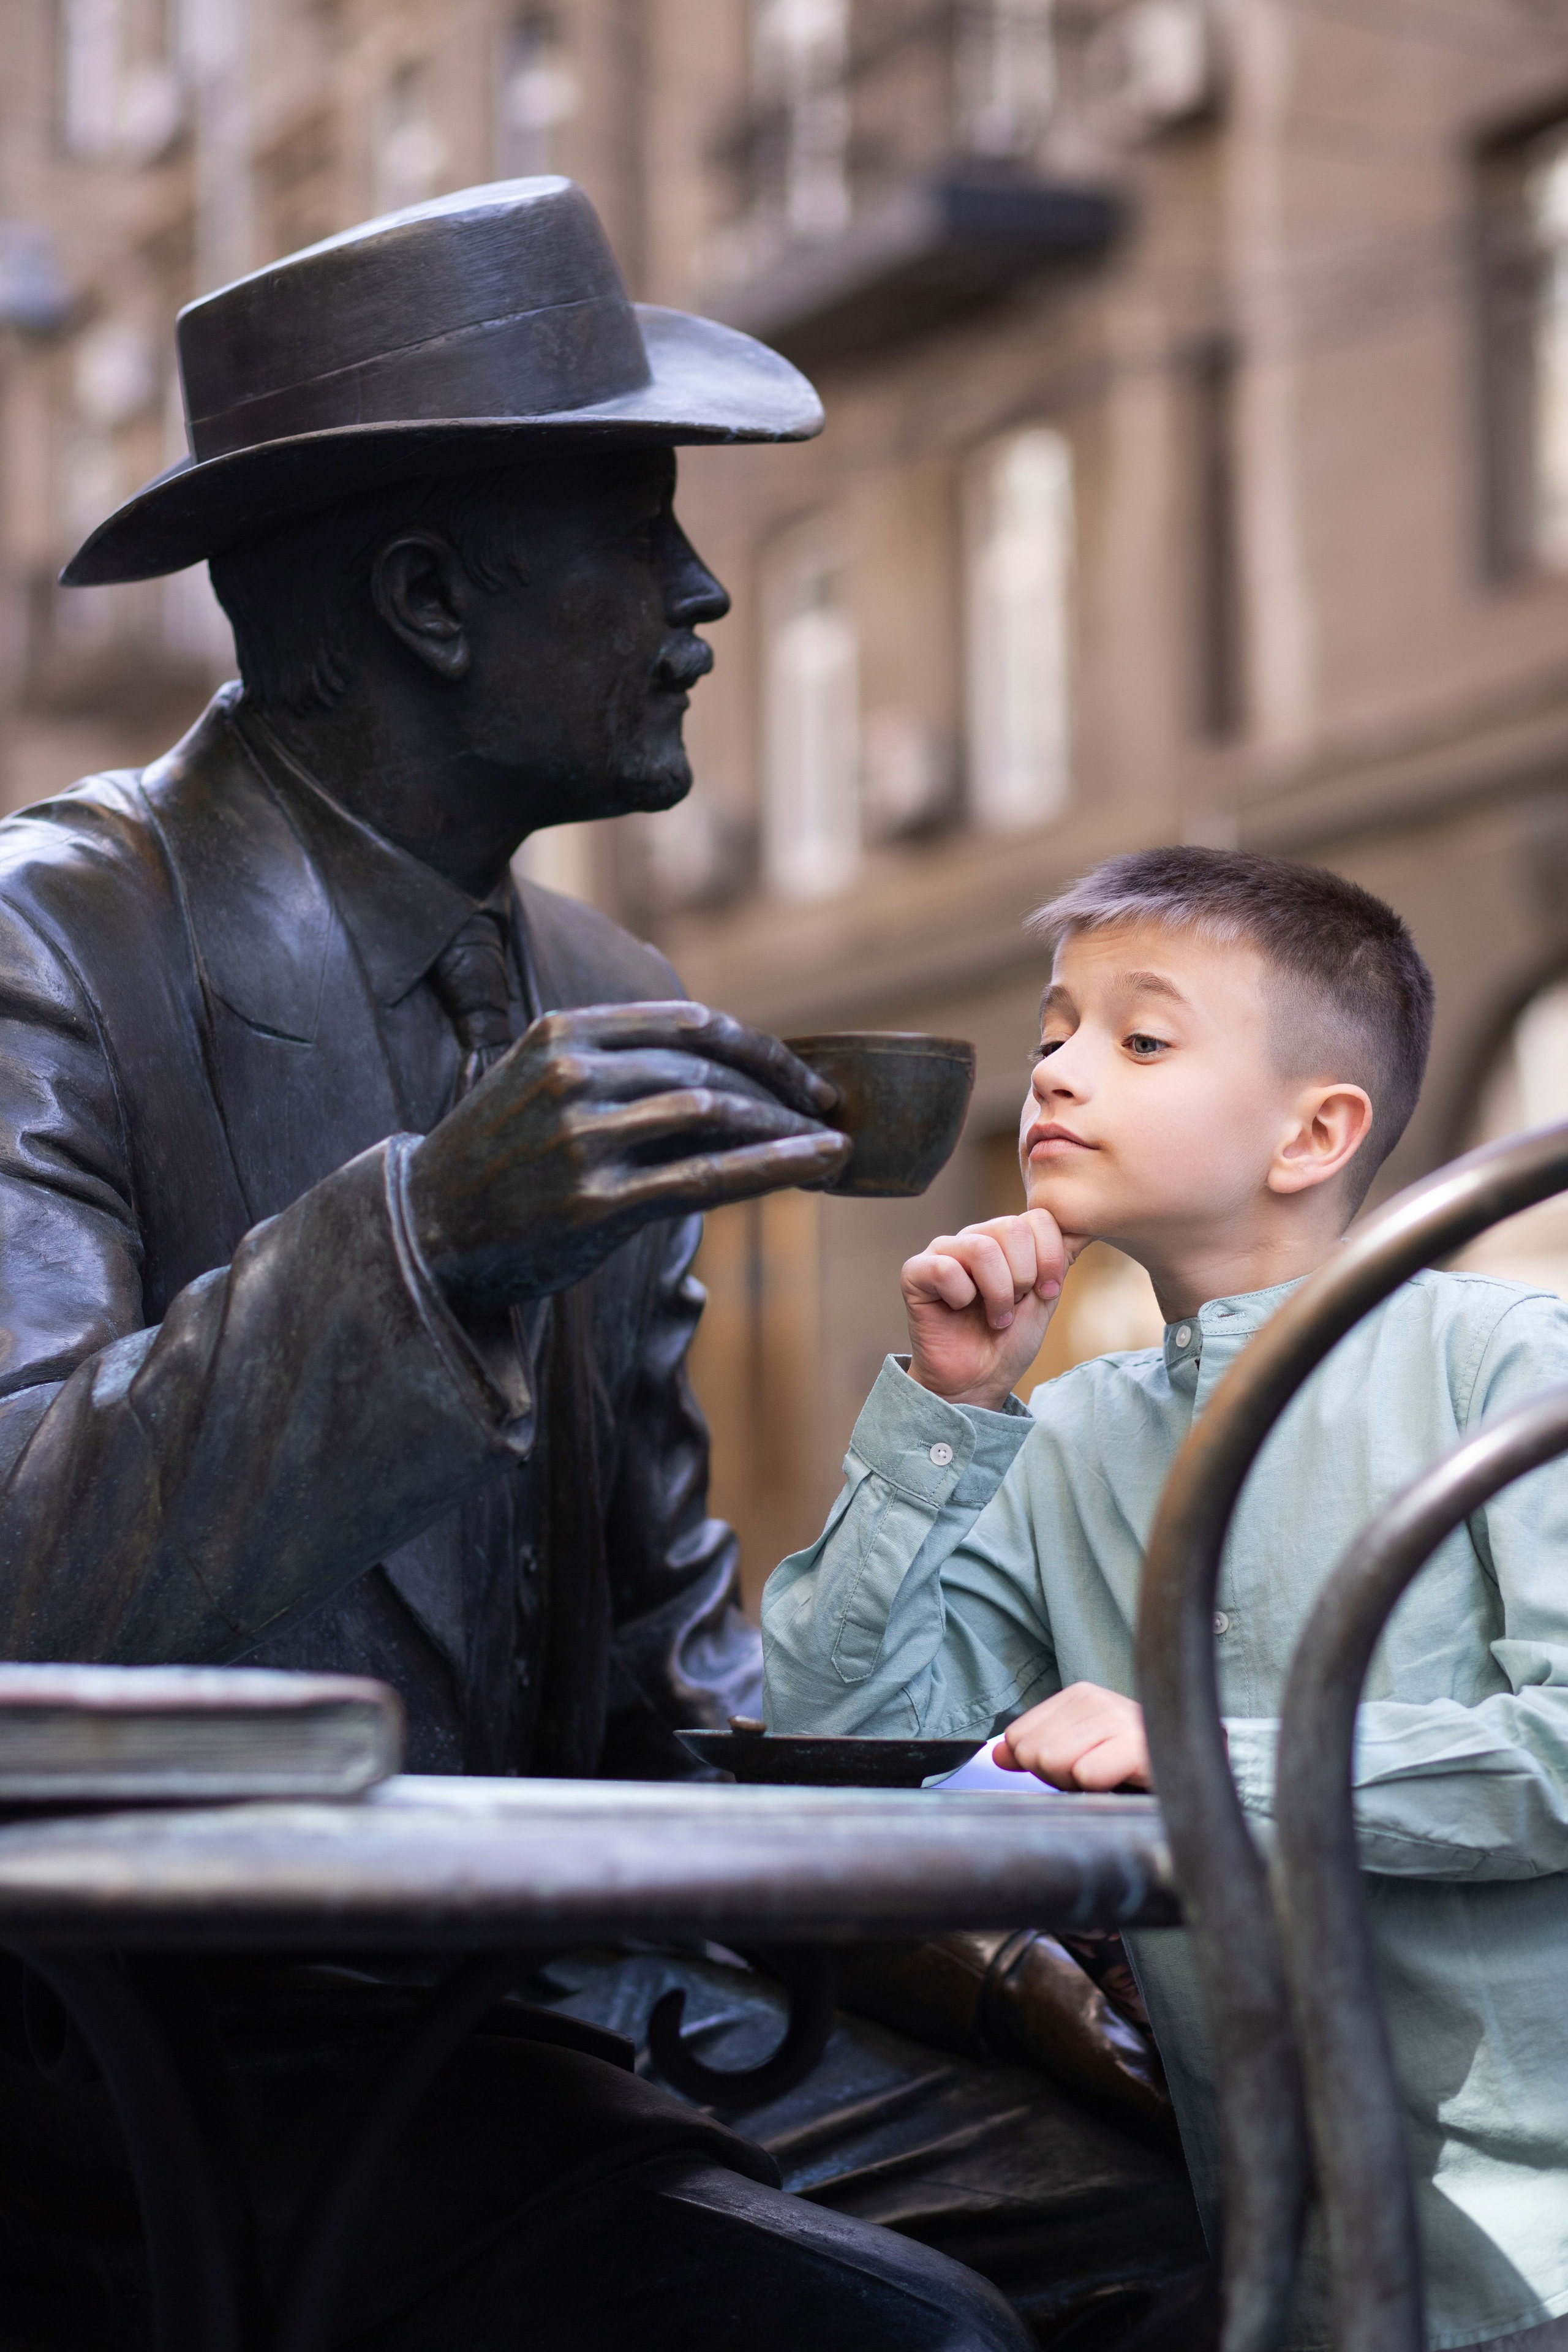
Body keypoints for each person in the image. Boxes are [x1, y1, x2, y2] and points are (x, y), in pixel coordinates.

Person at [0, 175, 1036, 2352]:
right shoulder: (47, 948)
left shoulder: (590, 977)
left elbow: (662, 1703)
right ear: (428, 596)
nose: (702, 598)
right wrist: (430, 1243)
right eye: (639, 532)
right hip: (134, 2057)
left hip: (562, 2004)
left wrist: (996, 1934)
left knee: (1257, 2179)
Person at [764, 844, 1568, 2352]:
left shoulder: (1502, 1359)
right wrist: (947, 1411)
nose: (1060, 1071)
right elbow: (842, 1749)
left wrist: (1194, 1758)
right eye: (1054, 1030)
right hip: (1285, 2251)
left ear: (1312, 1131)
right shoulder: (1058, 1433)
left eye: (1138, 1040)